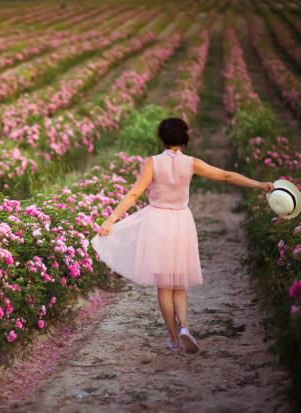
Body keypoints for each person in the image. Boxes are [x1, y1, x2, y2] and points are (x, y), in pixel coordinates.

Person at [90, 118, 274, 353]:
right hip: (181, 222)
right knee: (179, 284)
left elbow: (134, 194)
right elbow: (226, 175)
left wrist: (110, 219)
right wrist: (259, 185)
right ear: (184, 138)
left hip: (157, 222)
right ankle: (185, 327)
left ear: (161, 137)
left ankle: (173, 339)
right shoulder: (191, 163)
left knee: (164, 287)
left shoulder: (153, 163)